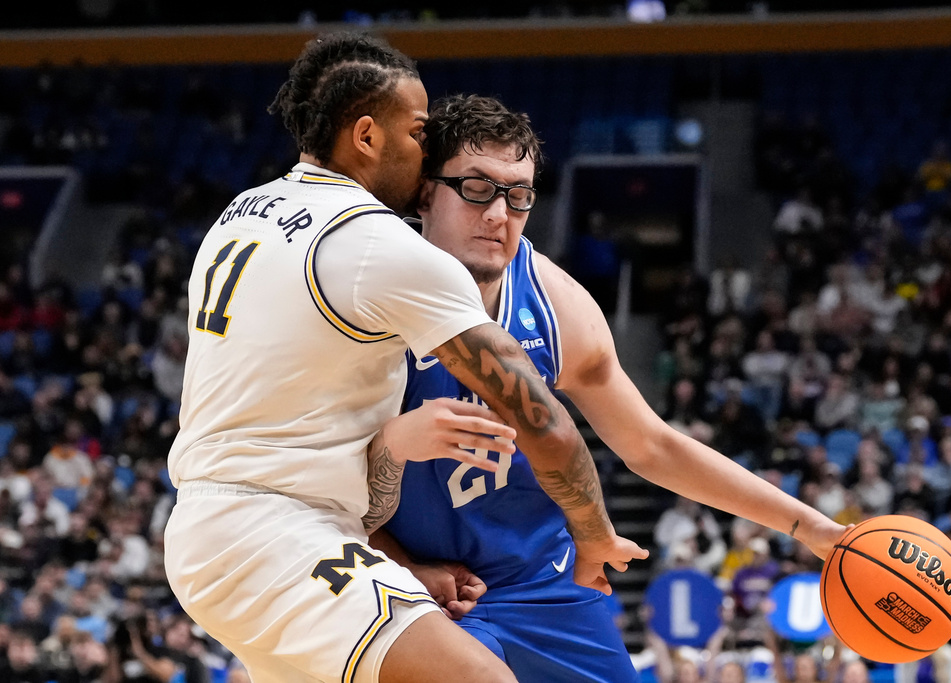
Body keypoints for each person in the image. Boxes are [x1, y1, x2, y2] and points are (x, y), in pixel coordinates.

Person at [162, 32, 644, 683]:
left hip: (226, 528)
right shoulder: (376, 243)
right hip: (275, 532)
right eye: (418, 134)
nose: (427, 152)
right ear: (366, 136)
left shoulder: (243, 212)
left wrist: (399, 563)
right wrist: (593, 534)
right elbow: (547, 423)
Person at [368, 94, 850, 682]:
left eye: (518, 194)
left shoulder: (557, 306)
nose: (499, 213)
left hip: (542, 583)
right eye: (477, 188)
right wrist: (396, 565)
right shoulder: (364, 301)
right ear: (424, 193)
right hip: (414, 590)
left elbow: (651, 446)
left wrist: (811, 527)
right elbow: (306, 470)